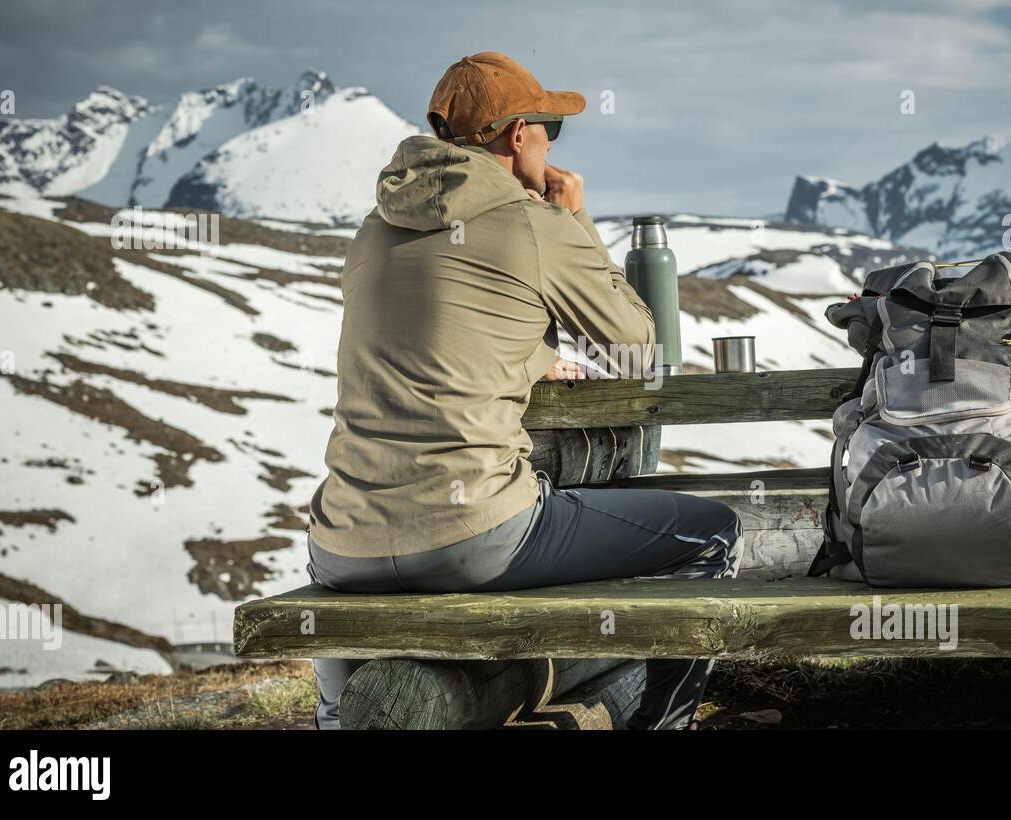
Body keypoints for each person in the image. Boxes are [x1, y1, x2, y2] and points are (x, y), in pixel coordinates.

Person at [305, 51, 743, 730]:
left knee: (349, 708)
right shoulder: (533, 225)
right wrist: (574, 221)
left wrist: (528, 354)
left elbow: (434, 328)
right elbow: (640, 352)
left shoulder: (372, 230)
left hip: (340, 542)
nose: (551, 143)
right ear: (517, 136)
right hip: (471, 533)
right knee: (712, 534)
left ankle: (336, 720)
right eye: (550, 129)